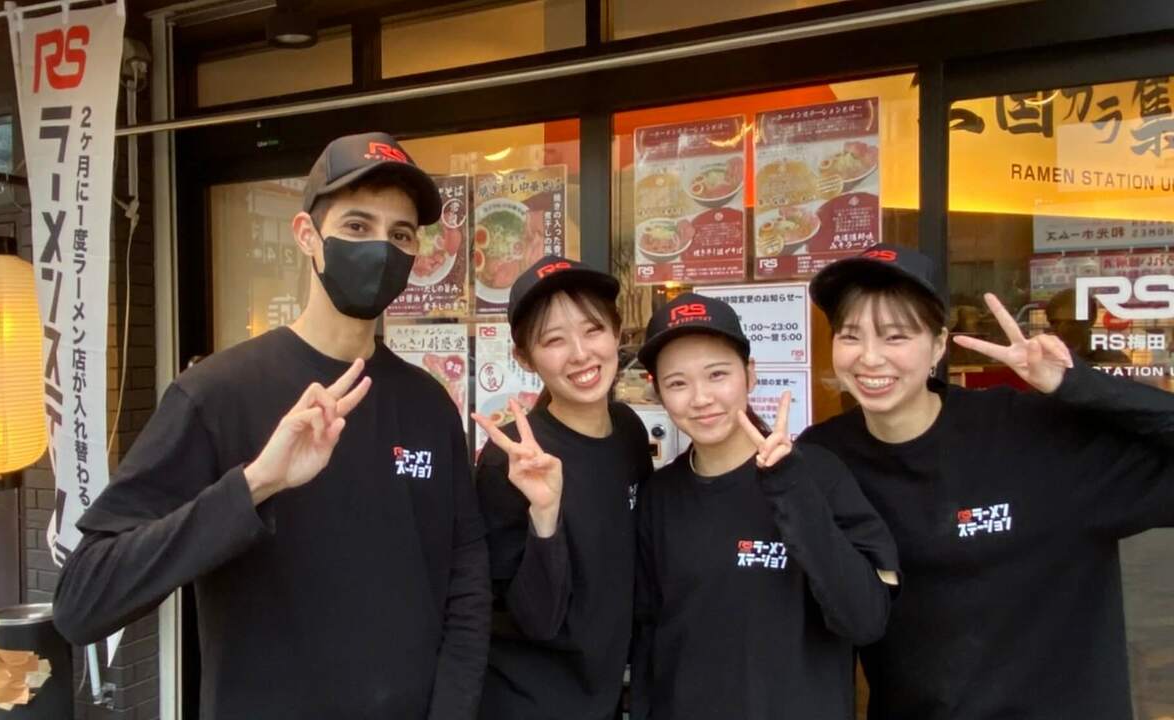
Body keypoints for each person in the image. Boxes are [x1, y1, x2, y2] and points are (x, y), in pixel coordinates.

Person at [53, 132, 490, 720]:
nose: (381, 249)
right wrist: (255, 483)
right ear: (307, 235)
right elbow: (82, 601)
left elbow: (466, 575)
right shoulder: (214, 394)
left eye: (401, 234)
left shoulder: (429, 404)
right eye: (357, 226)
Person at [801, 243, 1174, 720]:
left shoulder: (1034, 436)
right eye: (851, 336)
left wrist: (1078, 385)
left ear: (938, 345)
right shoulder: (825, 457)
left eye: (896, 336)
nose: (870, 358)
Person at [630, 293, 899, 720]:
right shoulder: (659, 496)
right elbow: (649, 634)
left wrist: (788, 487)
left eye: (717, 374)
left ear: (750, 375)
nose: (701, 398)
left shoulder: (818, 474)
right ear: (659, 392)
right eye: (678, 383)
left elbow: (864, 619)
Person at [472, 256, 653, 720]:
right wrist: (545, 517)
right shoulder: (512, 459)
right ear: (524, 358)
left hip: (603, 694)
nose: (580, 353)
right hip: (529, 703)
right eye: (554, 340)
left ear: (617, 333)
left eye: (593, 330)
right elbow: (534, 619)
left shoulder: (629, 432)